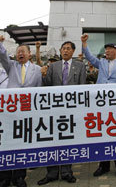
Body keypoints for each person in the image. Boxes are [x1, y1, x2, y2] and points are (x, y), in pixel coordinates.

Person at [81, 33, 116, 177]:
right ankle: (103, 166)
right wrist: (84, 44)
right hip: (101, 103)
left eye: (109, 49)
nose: (107, 51)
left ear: (115, 51)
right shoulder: (101, 62)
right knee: (102, 134)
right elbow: (90, 57)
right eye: (106, 49)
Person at [37, 41, 86, 185]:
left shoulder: (80, 66)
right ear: (60, 50)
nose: (65, 51)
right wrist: (43, 75)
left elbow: (82, 88)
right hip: (54, 109)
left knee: (68, 140)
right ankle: (51, 173)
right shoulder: (53, 66)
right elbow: (47, 86)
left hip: (71, 110)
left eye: (68, 49)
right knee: (52, 140)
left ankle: (66, 172)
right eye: (63, 48)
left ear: (73, 51)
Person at [0, 35, 42, 187]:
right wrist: (0, 44)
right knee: (6, 143)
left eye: (23, 51)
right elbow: (3, 55)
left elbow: (39, 91)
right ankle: (4, 177)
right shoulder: (11, 66)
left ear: (29, 54)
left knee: (22, 144)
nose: (20, 53)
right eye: (18, 51)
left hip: (27, 113)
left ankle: (19, 176)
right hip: (10, 113)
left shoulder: (37, 70)